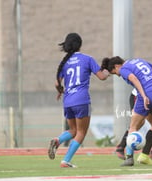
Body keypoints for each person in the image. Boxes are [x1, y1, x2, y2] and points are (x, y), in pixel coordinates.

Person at [47, 33, 109, 168]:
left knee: (73, 130)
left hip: (68, 100)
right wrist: (109, 70)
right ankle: (65, 160)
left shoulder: (64, 62)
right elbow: (102, 77)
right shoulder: (87, 59)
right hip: (81, 100)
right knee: (81, 132)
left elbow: (57, 84)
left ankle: (58, 140)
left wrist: (60, 92)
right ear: (80, 45)